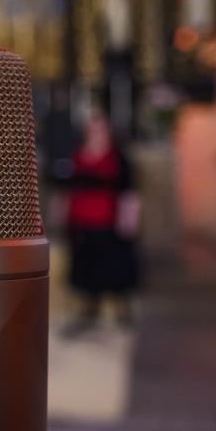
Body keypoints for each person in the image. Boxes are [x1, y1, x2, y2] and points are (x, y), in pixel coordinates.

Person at [58, 108, 141, 337]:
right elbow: (67, 190)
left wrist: (129, 220)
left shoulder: (117, 158)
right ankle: (88, 308)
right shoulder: (77, 156)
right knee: (86, 267)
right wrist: (62, 214)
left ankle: (122, 309)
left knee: (115, 265)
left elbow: (128, 191)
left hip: (108, 221)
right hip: (82, 221)